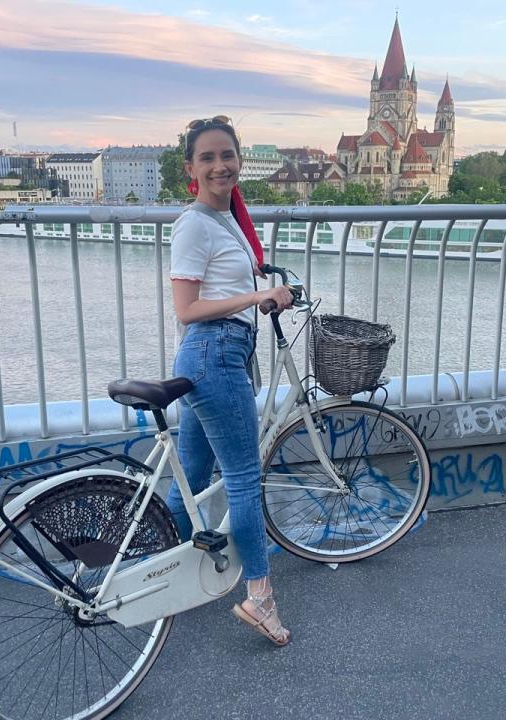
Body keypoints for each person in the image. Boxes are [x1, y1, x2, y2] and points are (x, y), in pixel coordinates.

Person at [166, 115, 294, 646]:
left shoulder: (226, 222)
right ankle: (259, 598)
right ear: (190, 169)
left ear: (239, 161)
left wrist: (262, 280)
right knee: (244, 479)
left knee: (191, 478)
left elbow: (223, 278)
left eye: (227, 156)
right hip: (214, 353)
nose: (220, 166)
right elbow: (187, 308)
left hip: (211, 358)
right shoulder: (195, 223)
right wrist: (254, 298)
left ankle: (166, 575)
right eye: (208, 158)